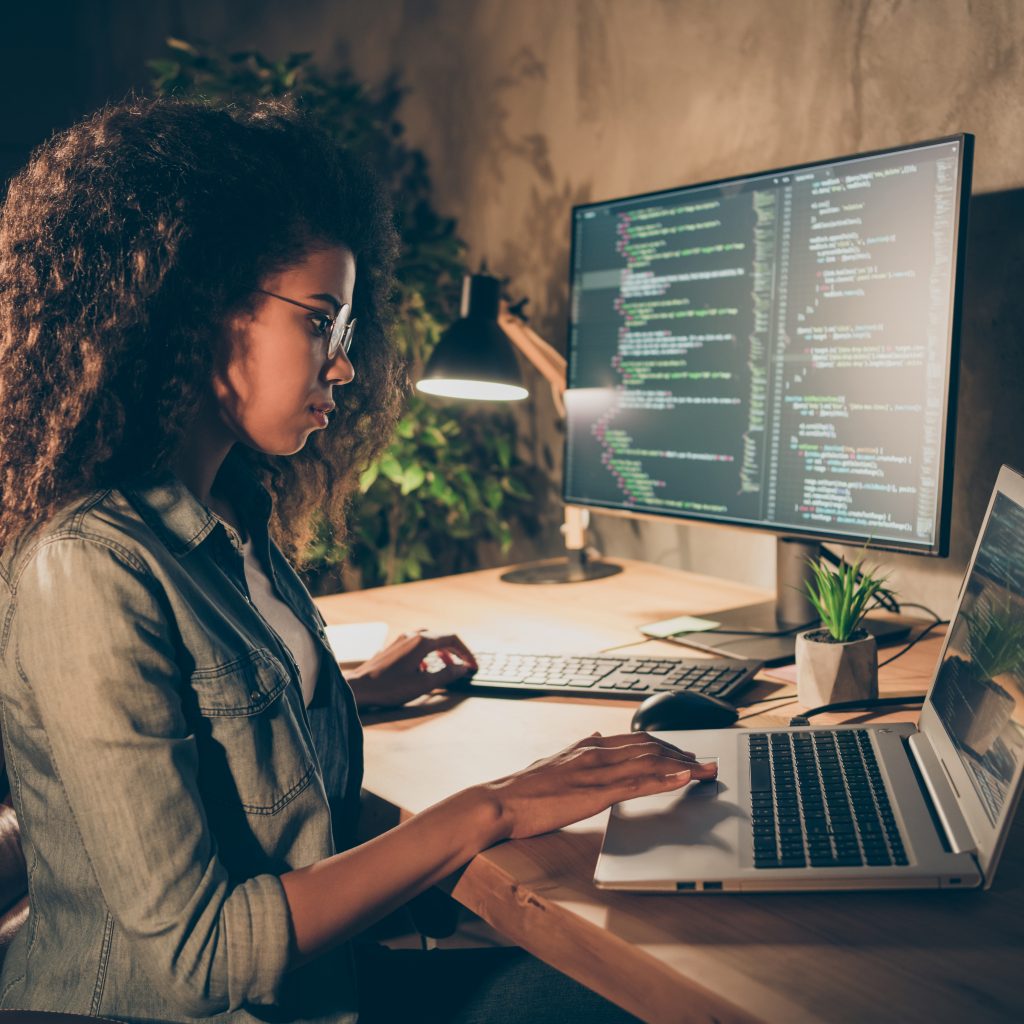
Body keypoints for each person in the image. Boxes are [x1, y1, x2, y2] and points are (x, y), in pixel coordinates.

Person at [0, 98, 715, 1023]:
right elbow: (201, 958)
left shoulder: (231, 515)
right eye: (320, 321)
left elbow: (221, 721)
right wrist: (493, 803)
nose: (343, 365)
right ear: (195, 307)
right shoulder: (90, 568)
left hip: (318, 987)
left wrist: (353, 691)